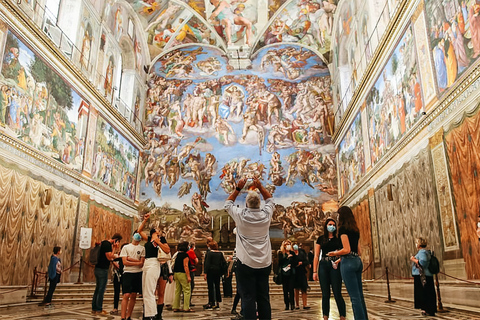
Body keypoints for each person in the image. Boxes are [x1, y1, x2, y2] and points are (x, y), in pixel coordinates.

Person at [225, 177, 274, 320]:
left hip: (245, 263)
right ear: (260, 203)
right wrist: (260, 186)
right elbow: (270, 201)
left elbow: (228, 204)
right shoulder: (266, 215)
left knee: (248, 297)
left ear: (246, 204)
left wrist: (238, 188)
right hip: (264, 263)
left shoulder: (241, 215)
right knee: (264, 297)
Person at [327, 206, 368, 320]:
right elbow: (358, 251)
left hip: (348, 262)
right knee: (359, 295)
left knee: (354, 297)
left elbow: (346, 249)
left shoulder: (343, 230)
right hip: (357, 261)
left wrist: (334, 253)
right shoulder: (355, 230)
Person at [137, 213, 171, 320]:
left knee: (150, 289)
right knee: (145, 290)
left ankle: (152, 314)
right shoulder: (148, 240)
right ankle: (147, 314)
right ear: (153, 233)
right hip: (146, 263)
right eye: (157, 230)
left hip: (154, 263)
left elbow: (167, 250)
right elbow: (139, 231)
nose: (158, 231)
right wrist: (145, 220)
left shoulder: (161, 240)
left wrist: (158, 242)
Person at [313, 217, 346, 320]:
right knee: (325, 294)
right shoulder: (321, 239)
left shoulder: (338, 239)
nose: (331, 226)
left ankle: (342, 316)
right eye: (329, 224)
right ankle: (325, 316)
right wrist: (314, 271)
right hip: (323, 265)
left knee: (337, 292)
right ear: (326, 226)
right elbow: (316, 255)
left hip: (335, 265)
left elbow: (343, 252)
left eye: (333, 225)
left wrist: (338, 259)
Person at [92, 233, 122, 315]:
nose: (118, 244)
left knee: (98, 289)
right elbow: (109, 257)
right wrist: (114, 248)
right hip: (102, 269)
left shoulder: (104, 243)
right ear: (116, 240)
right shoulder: (107, 244)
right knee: (101, 289)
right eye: (118, 242)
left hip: (98, 268)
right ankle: (99, 309)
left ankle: (94, 308)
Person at [120, 232, 145, 320]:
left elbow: (142, 263)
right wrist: (137, 262)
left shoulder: (142, 248)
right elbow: (124, 262)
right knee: (126, 295)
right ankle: (123, 316)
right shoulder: (126, 247)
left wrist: (130, 259)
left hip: (138, 273)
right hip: (127, 272)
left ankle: (128, 316)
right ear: (132, 236)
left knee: (134, 295)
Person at [410, 237, 437, 316]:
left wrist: (413, 259)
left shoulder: (422, 252)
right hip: (426, 275)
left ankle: (426, 309)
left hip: (422, 276)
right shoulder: (426, 252)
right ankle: (428, 309)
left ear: (418, 244)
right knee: (428, 292)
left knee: (424, 293)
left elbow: (423, 263)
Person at [204, 240, 226, 309]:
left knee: (210, 287)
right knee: (217, 286)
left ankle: (211, 302)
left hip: (211, 271)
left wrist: (205, 272)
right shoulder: (220, 253)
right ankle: (218, 302)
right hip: (218, 271)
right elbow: (224, 263)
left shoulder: (210, 254)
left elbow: (207, 263)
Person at [172, 241, 194, 312]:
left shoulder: (178, 254)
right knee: (187, 290)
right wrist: (188, 276)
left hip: (176, 273)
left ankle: (176, 306)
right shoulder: (185, 255)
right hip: (182, 273)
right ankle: (186, 307)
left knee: (178, 290)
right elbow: (185, 266)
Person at [278, 239, 296, 311]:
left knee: (291, 289)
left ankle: (292, 304)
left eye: (289, 244)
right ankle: (287, 304)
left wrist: (291, 259)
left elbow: (295, 262)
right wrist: (286, 257)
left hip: (291, 272)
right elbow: (279, 262)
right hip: (284, 273)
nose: (287, 245)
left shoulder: (292, 253)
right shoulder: (281, 253)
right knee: (285, 290)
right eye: (286, 244)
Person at [110, 243, 127, 315]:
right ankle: (115, 307)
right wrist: (114, 262)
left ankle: (125, 306)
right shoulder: (118, 256)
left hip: (125, 275)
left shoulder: (127, 257)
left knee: (125, 292)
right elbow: (110, 257)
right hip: (117, 275)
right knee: (116, 292)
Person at [293, 243, 310, 309]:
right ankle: (297, 304)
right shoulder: (292, 253)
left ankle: (304, 304)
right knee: (296, 289)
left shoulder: (302, 252)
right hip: (295, 273)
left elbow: (306, 261)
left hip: (302, 272)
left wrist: (302, 263)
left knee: (304, 289)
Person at [187, 242, 199, 306]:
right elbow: (196, 260)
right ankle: (188, 301)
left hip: (187, 270)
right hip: (191, 270)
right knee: (191, 286)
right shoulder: (191, 251)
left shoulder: (187, 251)